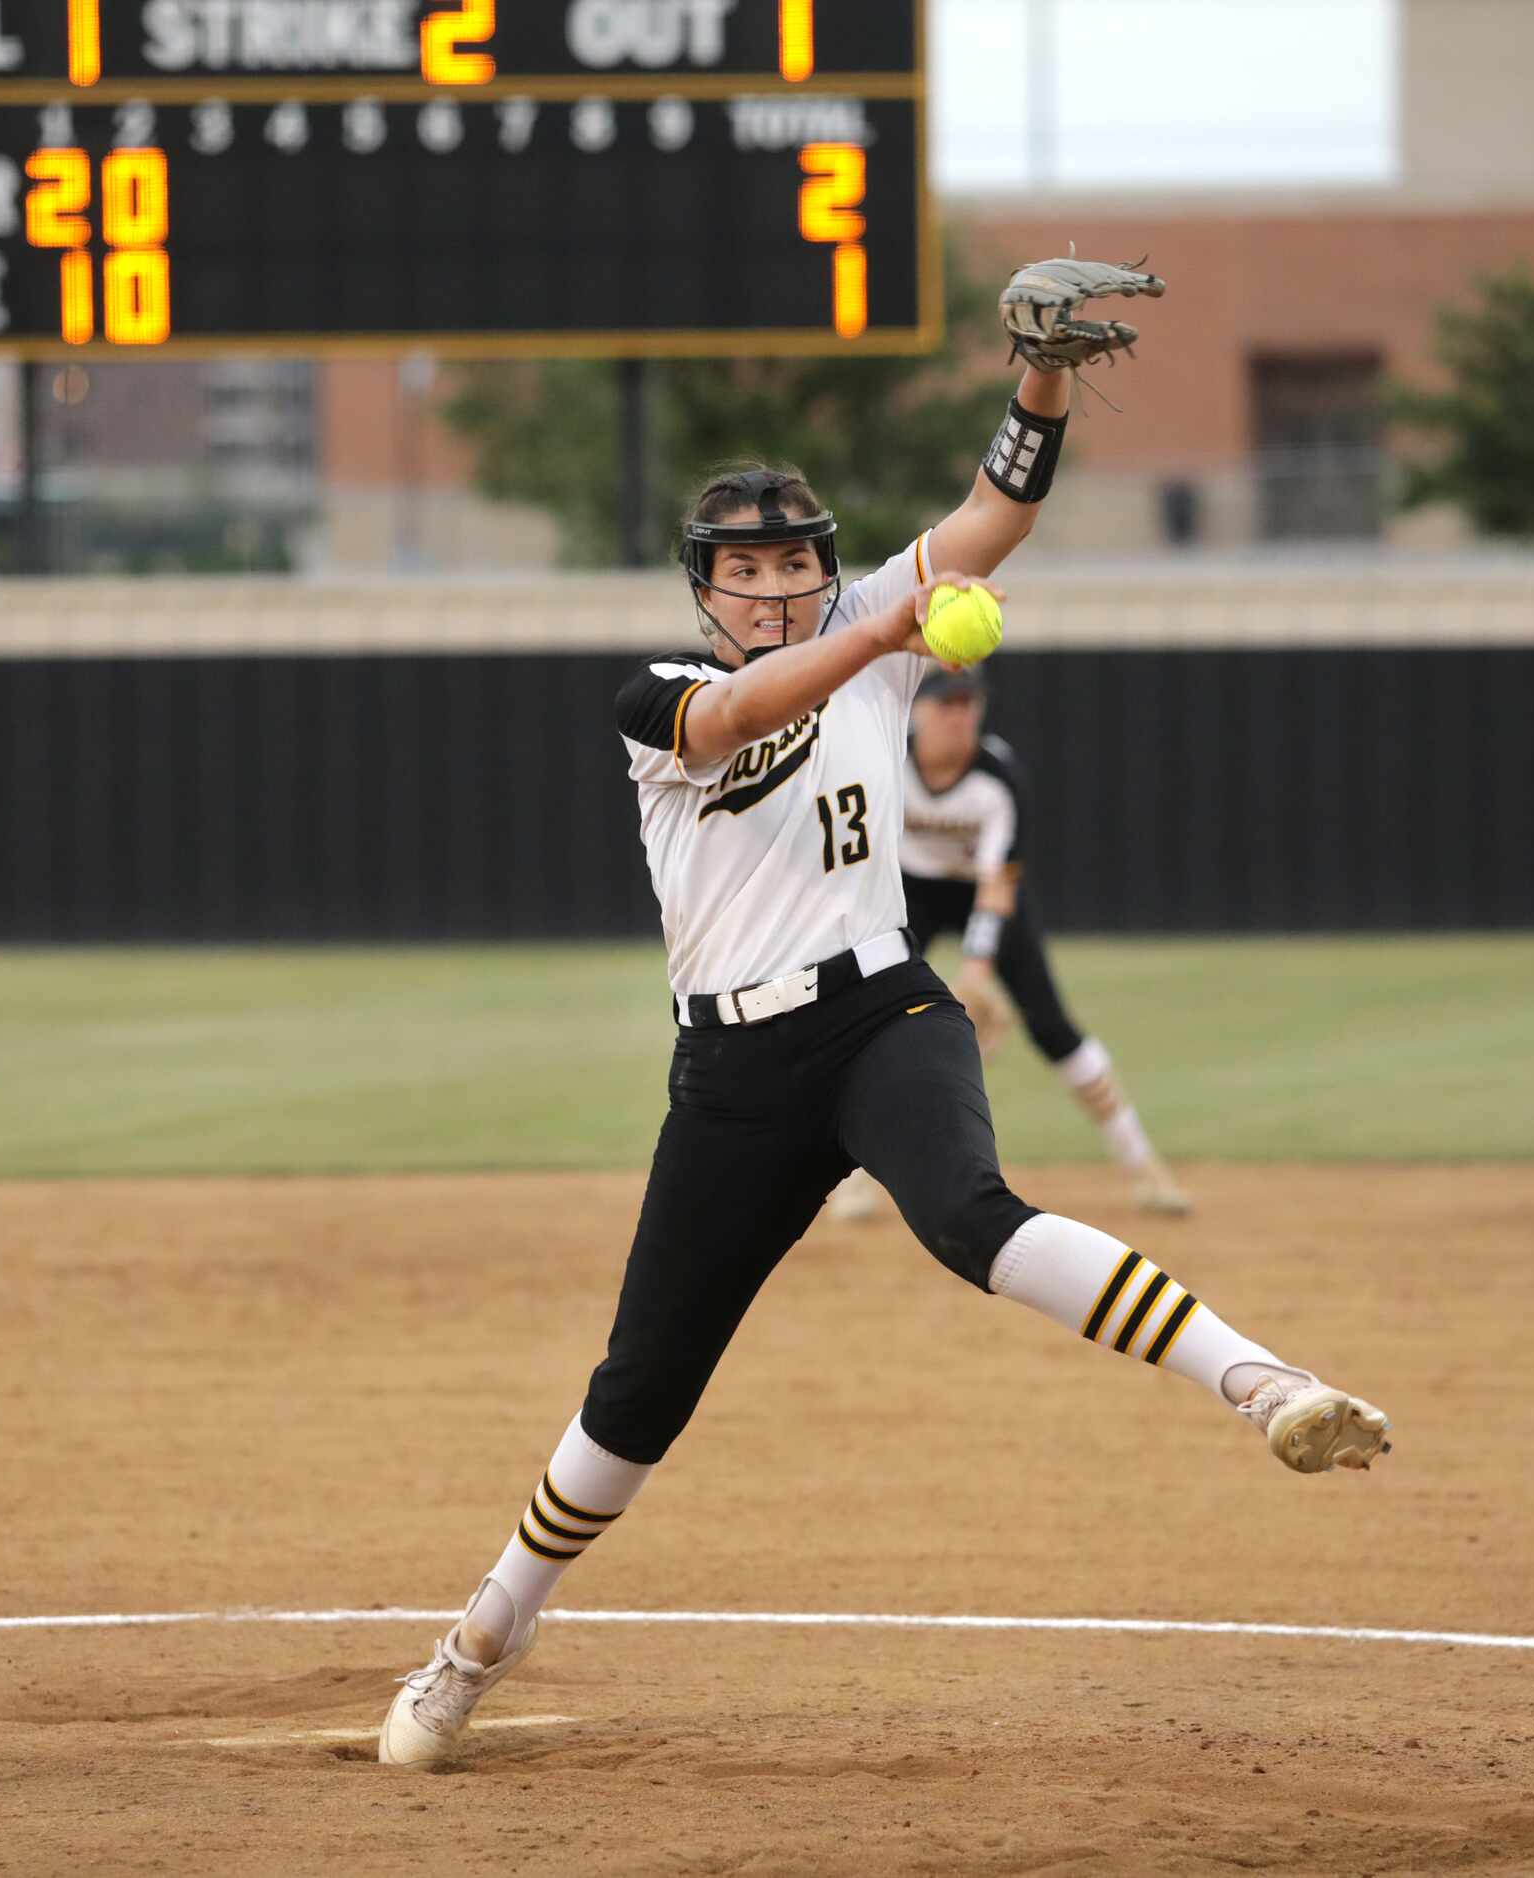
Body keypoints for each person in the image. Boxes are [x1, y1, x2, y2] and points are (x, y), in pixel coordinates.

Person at [377, 284, 1392, 1770]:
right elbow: (738, 721)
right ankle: (481, 1637)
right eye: (745, 566)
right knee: (638, 1390)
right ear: (702, 591)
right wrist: (876, 637)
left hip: (879, 1008)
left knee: (968, 1211)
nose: (776, 584)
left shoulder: (872, 617)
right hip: (728, 1075)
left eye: (796, 560)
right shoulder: (653, 695)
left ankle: (1263, 1382)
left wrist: (1037, 389)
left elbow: (990, 520)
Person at [829, 663, 1191, 1222]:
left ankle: (1143, 1166)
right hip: (908, 894)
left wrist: (975, 970)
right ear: (916, 710)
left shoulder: (996, 776)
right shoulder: (884, 757)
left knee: (1050, 1026)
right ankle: (850, 1179)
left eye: (968, 704)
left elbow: (998, 883)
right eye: (945, 704)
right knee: (863, 1023)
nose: (959, 716)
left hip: (984, 892)